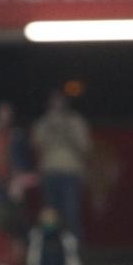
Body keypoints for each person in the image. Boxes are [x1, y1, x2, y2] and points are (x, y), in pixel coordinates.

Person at [31, 91, 92, 240]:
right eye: (53, 101)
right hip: (49, 173)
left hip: (70, 173)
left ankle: (74, 253)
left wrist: (66, 131)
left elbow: (85, 147)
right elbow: (35, 145)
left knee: (71, 214)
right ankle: (51, 254)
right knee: (50, 216)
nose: (57, 104)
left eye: (60, 101)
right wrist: (50, 128)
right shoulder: (42, 123)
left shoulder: (76, 121)